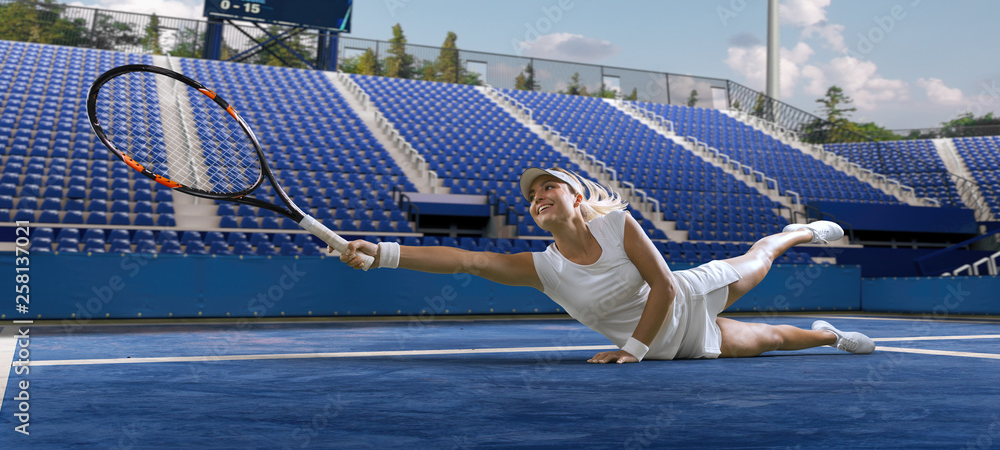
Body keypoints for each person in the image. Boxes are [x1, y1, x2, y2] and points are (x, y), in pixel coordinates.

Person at [338, 166, 875, 363]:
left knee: (760, 258)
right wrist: (382, 254)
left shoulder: (618, 226)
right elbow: (467, 260)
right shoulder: (544, 267)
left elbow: (663, 285)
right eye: (533, 194)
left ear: (575, 198)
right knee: (776, 340)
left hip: (688, 298)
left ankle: (796, 232)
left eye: (551, 186)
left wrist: (632, 351)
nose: (539, 195)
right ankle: (829, 336)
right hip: (677, 346)